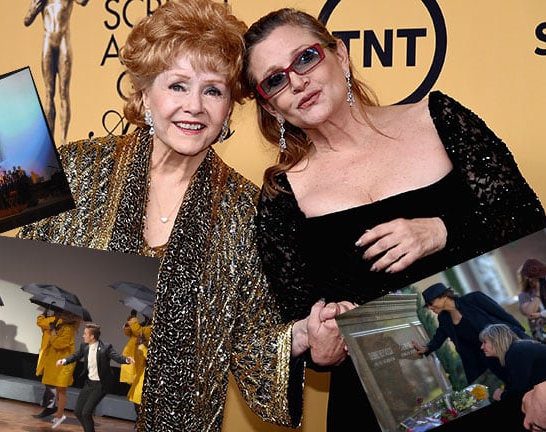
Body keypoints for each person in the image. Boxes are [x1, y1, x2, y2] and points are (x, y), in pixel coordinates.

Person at [18, 1, 349, 430]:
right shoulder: (77, 170)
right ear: (143, 94)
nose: (194, 106)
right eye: (177, 86)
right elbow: (12, 252)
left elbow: (252, 347)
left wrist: (304, 336)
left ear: (229, 108)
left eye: (213, 90)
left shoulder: (245, 211)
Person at [241, 7, 546, 431]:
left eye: (305, 58)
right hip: (376, 408)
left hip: (501, 390)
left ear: (342, 56)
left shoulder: (438, 119)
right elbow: (299, 321)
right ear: (270, 106)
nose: (296, 81)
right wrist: (319, 344)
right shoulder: (280, 198)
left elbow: (527, 218)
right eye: (275, 80)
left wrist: (442, 230)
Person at [412, 283, 529, 385]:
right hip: (489, 359)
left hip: (507, 347)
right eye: (427, 305)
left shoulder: (474, 299)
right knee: (513, 384)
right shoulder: (444, 318)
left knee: (527, 376)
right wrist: (426, 348)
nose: (430, 307)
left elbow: (502, 314)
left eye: (431, 303)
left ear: (443, 296)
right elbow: (439, 337)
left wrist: (523, 335)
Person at [23, 0, 88, 144]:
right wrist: (33, 10)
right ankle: (50, 141)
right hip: (48, 41)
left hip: (63, 41)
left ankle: (64, 140)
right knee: (49, 93)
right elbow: (26, 21)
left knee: (64, 92)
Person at [56, 323, 134, 432]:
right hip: (89, 383)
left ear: (92, 336)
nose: (83, 336)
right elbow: (76, 356)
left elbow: (116, 357)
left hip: (100, 384)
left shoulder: (105, 347)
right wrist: (64, 360)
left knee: (86, 413)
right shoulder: (84, 346)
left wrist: (126, 360)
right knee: (78, 412)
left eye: (85, 334)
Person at [479, 323, 546, 401]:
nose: (482, 347)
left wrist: (501, 395)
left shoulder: (516, 352)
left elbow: (519, 391)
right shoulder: (517, 349)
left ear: (496, 340)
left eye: (484, 342)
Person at [39, 310, 81, 429]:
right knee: (58, 389)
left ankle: (60, 415)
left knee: (61, 390)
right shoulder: (62, 326)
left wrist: (52, 334)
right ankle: (58, 414)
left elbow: (60, 344)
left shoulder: (68, 329)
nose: (60, 316)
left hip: (64, 364)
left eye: (63, 314)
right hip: (57, 362)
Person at [34, 309, 60, 419]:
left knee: (50, 382)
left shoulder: (55, 320)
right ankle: (49, 405)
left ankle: (51, 406)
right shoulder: (54, 320)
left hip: (51, 355)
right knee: (48, 381)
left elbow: (40, 322)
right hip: (47, 354)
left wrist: (43, 313)